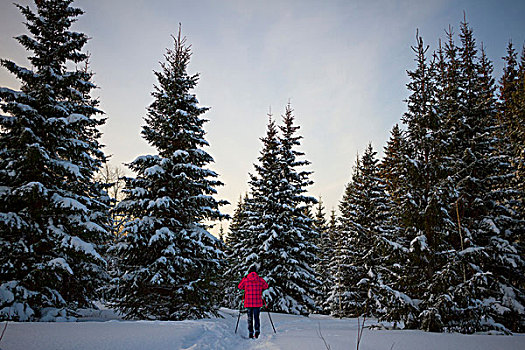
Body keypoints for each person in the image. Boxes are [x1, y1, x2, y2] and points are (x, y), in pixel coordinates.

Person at [238, 266, 269, 339]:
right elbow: (266, 286)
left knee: (250, 318)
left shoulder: (246, 279)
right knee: (256, 317)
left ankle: (250, 332)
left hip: (248, 302)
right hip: (257, 302)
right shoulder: (260, 279)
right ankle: (257, 331)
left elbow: (240, 286)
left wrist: (244, 280)